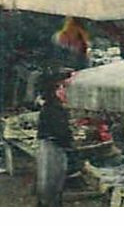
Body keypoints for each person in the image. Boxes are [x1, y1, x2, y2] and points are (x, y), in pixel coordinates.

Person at [33, 76, 72, 207]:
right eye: (61, 88)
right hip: (51, 148)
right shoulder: (53, 109)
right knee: (50, 184)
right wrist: (70, 141)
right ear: (54, 91)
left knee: (52, 184)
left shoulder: (55, 107)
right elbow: (60, 132)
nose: (64, 91)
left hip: (53, 146)